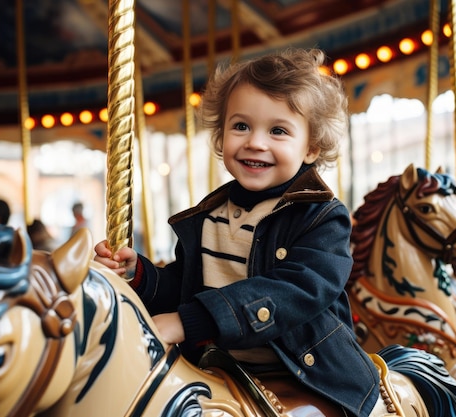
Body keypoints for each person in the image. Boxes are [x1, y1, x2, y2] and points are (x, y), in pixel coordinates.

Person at [94, 48, 380, 416]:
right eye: (241, 126)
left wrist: (189, 322)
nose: (255, 142)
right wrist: (140, 275)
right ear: (220, 137)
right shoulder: (209, 216)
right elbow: (183, 288)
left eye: (278, 130)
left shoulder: (321, 218)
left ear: (310, 148)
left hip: (304, 372)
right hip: (219, 367)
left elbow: (301, 288)